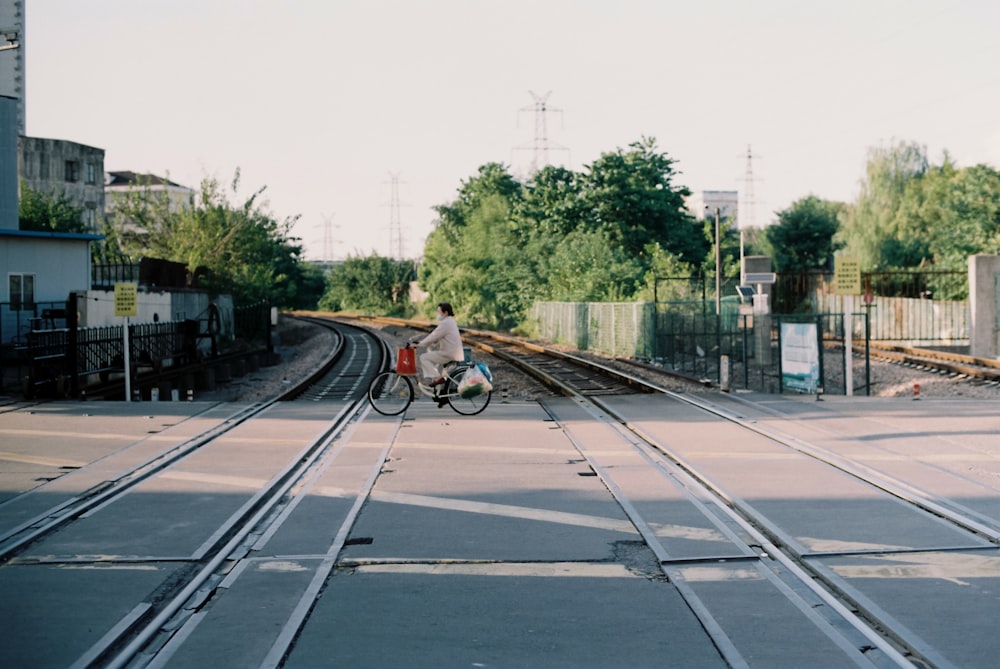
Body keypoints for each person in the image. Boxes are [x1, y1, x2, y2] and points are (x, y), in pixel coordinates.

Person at [411, 302, 464, 389]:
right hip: (453, 352)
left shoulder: (445, 323)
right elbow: (438, 336)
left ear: (445, 313)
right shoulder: (450, 321)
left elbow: (434, 336)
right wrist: (429, 342)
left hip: (449, 353)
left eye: (439, 312)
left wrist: (419, 344)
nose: (438, 314)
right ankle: (440, 391)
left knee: (424, 357)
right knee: (437, 367)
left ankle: (437, 378)